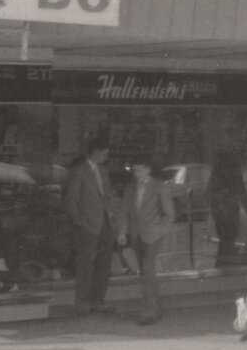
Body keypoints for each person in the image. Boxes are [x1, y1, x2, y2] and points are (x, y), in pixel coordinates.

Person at [63, 136, 123, 315]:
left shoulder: (103, 171)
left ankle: (98, 300)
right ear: (96, 152)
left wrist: (111, 216)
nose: (106, 156)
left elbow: (106, 196)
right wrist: (78, 220)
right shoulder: (79, 171)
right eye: (104, 153)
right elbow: (71, 199)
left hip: (105, 222)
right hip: (87, 224)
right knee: (85, 265)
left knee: (104, 264)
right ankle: (82, 303)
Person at [122, 157, 175, 324]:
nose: (136, 174)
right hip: (136, 235)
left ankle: (148, 312)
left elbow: (169, 213)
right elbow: (124, 212)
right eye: (134, 170)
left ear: (148, 169)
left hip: (153, 235)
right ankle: (154, 306)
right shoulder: (130, 188)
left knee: (147, 270)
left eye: (140, 170)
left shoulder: (159, 186)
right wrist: (122, 232)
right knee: (145, 273)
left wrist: (160, 230)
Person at [207, 150, 247, 257]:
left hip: (225, 212)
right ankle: (226, 258)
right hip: (227, 212)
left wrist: (214, 210)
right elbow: (242, 193)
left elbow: (210, 194)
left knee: (226, 240)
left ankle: (225, 259)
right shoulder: (223, 175)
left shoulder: (217, 175)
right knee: (228, 239)